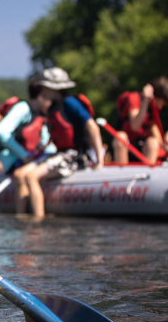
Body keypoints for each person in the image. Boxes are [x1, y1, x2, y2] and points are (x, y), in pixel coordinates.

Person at [19, 68, 105, 218]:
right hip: (59, 153)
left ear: (54, 88)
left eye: (45, 87)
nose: (43, 90)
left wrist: (100, 161)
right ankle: (21, 216)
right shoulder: (52, 106)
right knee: (21, 174)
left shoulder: (70, 103)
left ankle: (38, 221)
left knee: (32, 177)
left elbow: (92, 127)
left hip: (73, 155)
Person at [0, 74, 58, 214]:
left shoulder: (42, 113)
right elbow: (0, 131)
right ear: (41, 96)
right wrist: (24, 155)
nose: (53, 104)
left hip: (31, 157)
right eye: (50, 100)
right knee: (21, 175)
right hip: (14, 159)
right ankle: (23, 216)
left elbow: (47, 142)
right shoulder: (23, 108)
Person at [113, 77, 168, 164]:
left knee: (153, 142)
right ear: (157, 96)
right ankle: (122, 173)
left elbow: (153, 126)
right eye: (162, 102)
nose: (161, 105)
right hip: (128, 144)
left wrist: (162, 144)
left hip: (142, 145)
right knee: (120, 137)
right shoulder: (134, 98)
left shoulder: (156, 107)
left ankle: (148, 173)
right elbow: (135, 126)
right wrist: (146, 102)